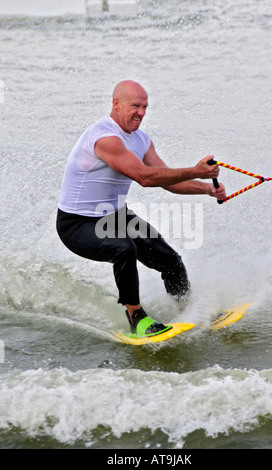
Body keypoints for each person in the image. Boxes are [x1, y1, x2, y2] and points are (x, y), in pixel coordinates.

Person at [56, 80, 226, 338]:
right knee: (123, 248)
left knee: (171, 261)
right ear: (116, 104)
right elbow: (145, 178)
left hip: (115, 216)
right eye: (135, 105)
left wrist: (206, 189)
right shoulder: (104, 138)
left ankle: (190, 309)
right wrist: (196, 171)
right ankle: (136, 317)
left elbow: (167, 181)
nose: (141, 112)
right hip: (77, 223)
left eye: (145, 107)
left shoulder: (142, 140)